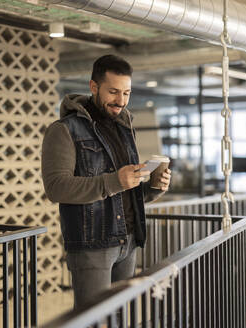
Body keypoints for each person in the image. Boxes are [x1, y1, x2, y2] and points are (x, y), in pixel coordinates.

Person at [41, 54, 171, 309]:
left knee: (122, 318)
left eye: (126, 93)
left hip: (130, 241)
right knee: (95, 319)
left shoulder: (125, 128)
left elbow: (123, 190)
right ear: (93, 87)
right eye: (113, 92)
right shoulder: (63, 130)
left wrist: (153, 188)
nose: (120, 101)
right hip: (93, 245)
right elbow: (56, 188)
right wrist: (114, 181)